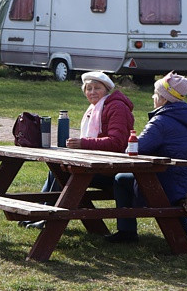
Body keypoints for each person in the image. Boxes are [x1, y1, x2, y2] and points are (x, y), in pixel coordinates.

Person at [107, 72, 187, 244]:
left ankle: (127, 231)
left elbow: (134, 149)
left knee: (121, 179)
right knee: (175, 179)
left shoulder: (161, 121)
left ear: (164, 99)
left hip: (173, 183)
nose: (153, 97)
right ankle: (182, 232)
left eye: (155, 94)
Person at [23, 71, 135, 228]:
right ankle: (39, 213)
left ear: (106, 90)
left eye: (97, 88)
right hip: (97, 164)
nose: (92, 92)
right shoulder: (94, 108)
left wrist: (83, 143)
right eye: (88, 89)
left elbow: (116, 143)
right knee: (56, 169)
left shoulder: (116, 107)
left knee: (63, 172)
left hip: (112, 168)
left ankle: (48, 219)